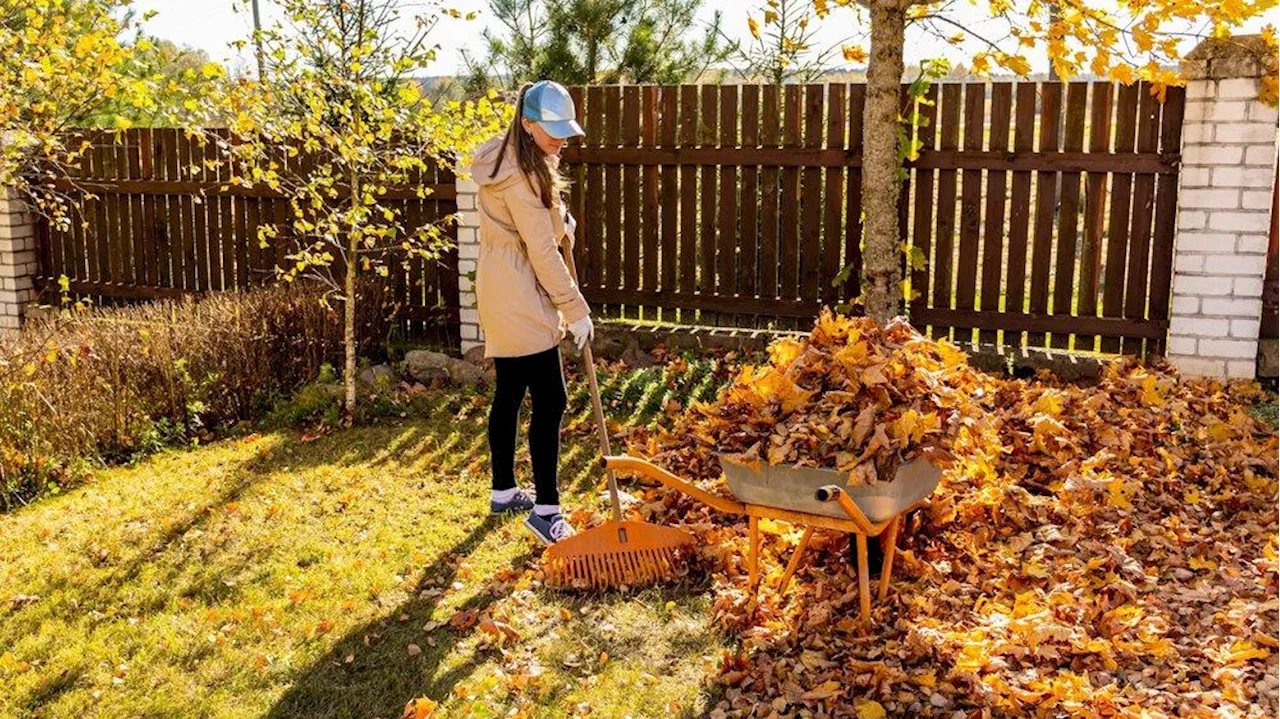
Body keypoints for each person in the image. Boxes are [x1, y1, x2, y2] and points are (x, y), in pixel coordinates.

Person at [468, 80, 594, 545]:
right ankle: (546, 511)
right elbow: (541, 252)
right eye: (552, 129)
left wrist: (560, 221)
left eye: (565, 129)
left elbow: (534, 226)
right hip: (522, 292)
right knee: (552, 399)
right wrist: (575, 309)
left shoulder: (510, 159)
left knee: (510, 391)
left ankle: (503, 491)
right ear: (526, 124)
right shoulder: (521, 175)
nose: (561, 138)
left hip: (502, 286)